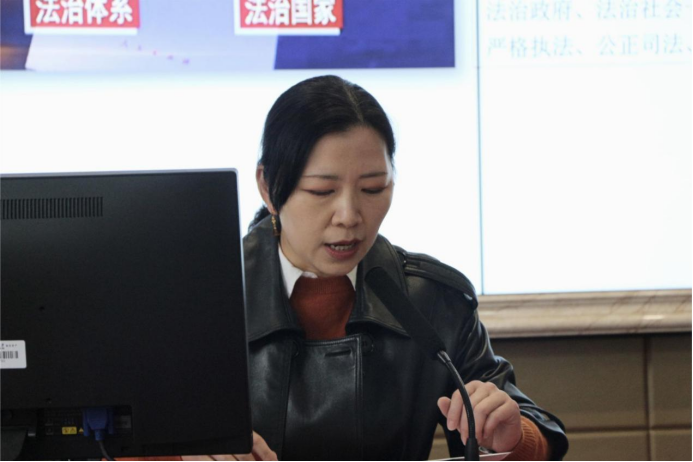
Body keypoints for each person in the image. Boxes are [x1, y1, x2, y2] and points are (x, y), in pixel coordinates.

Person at [189, 75, 569, 461]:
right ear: (269, 187)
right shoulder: (199, 297)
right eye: (322, 191)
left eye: (373, 189)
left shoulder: (431, 300)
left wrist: (512, 438)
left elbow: (531, 430)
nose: (349, 216)